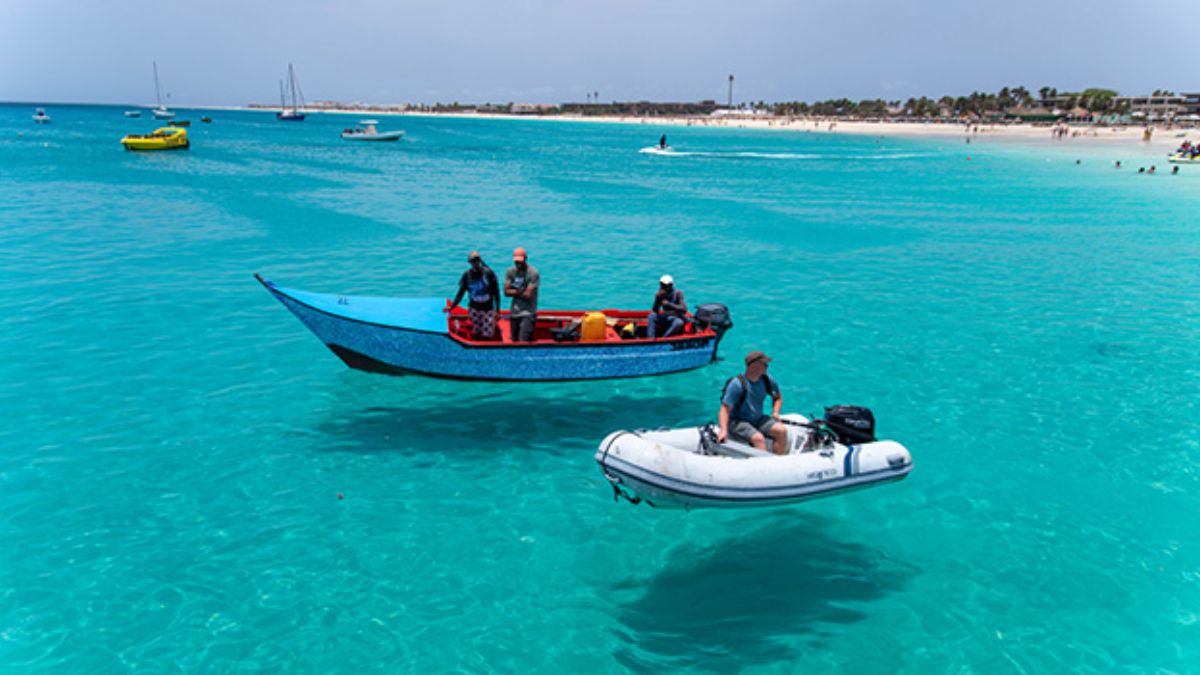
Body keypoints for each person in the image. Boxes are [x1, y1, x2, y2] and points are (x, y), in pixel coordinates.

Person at [717, 351, 788, 455]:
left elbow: (777, 397)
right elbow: (724, 409)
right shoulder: (737, 384)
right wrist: (723, 430)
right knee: (758, 438)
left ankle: (778, 461)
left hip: (757, 419)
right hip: (738, 421)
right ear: (754, 365)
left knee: (781, 431)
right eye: (764, 364)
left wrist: (776, 412)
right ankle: (765, 467)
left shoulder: (767, 380)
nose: (767, 366)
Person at [448, 250, 501, 340]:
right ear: (470, 262)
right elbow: (460, 293)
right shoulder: (467, 275)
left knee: (487, 334)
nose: (475, 263)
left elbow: (496, 293)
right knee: (476, 332)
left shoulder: (488, 273)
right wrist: (452, 307)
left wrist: (497, 310)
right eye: (473, 261)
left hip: (487, 309)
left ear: (480, 260)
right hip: (474, 308)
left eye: (477, 260)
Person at [504, 247, 540, 342]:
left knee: (523, 340)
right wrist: (521, 291)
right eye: (516, 262)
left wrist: (514, 291)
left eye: (520, 261)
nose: (518, 264)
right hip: (514, 312)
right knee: (514, 340)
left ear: (525, 259)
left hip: (528, 312)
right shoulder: (510, 272)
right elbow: (506, 292)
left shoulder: (533, 273)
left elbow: (528, 295)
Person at [648, 275, 687, 339]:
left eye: (664, 285)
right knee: (651, 316)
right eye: (661, 285)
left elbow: (684, 309)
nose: (662, 287)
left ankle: (664, 339)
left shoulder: (678, 293)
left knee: (678, 322)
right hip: (666, 317)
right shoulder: (661, 293)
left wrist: (669, 304)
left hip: (676, 317)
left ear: (670, 285)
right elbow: (655, 310)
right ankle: (650, 339)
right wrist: (657, 299)